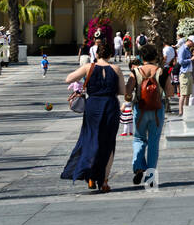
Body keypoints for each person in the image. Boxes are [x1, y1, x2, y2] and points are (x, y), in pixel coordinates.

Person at [61, 44, 124, 192]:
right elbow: (122, 91)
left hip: (93, 106)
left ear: (96, 54)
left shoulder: (89, 67)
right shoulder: (116, 69)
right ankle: (104, 181)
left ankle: (90, 175)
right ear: (111, 55)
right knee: (108, 144)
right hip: (110, 105)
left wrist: (83, 83)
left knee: (91, 138)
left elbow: (68, 79)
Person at [125, 44, 172, 185]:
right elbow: (170, 93)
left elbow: (127, 93)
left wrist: (131, 96)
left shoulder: (135, 71)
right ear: (155, 56)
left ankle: (138, 166)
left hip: (140, 109)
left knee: (139, 139)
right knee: (153, 142)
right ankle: (150, 176)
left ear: (141, 57)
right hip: (157, 110)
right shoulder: (162, 71)